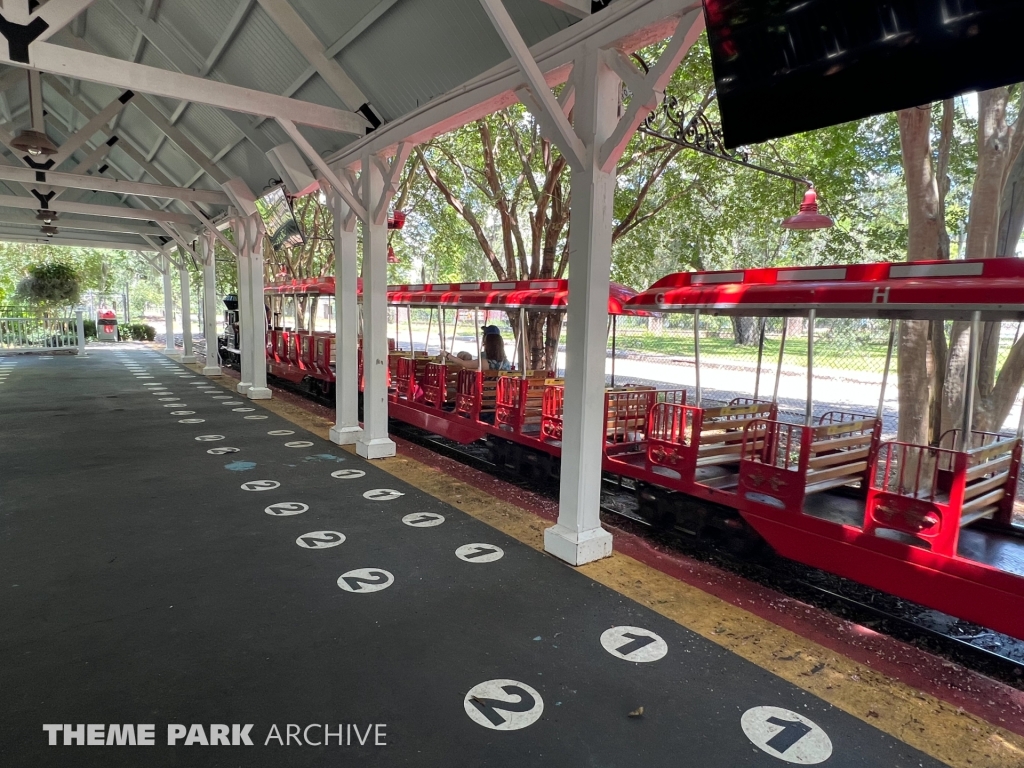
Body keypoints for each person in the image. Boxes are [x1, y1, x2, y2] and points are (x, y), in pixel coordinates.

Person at [444, 325, 512, 371]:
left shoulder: (484, 362)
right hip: (502, 392)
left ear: (487, 342)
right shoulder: (506, 363)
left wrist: (447, 355)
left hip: (485, 391)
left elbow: (463, 363)